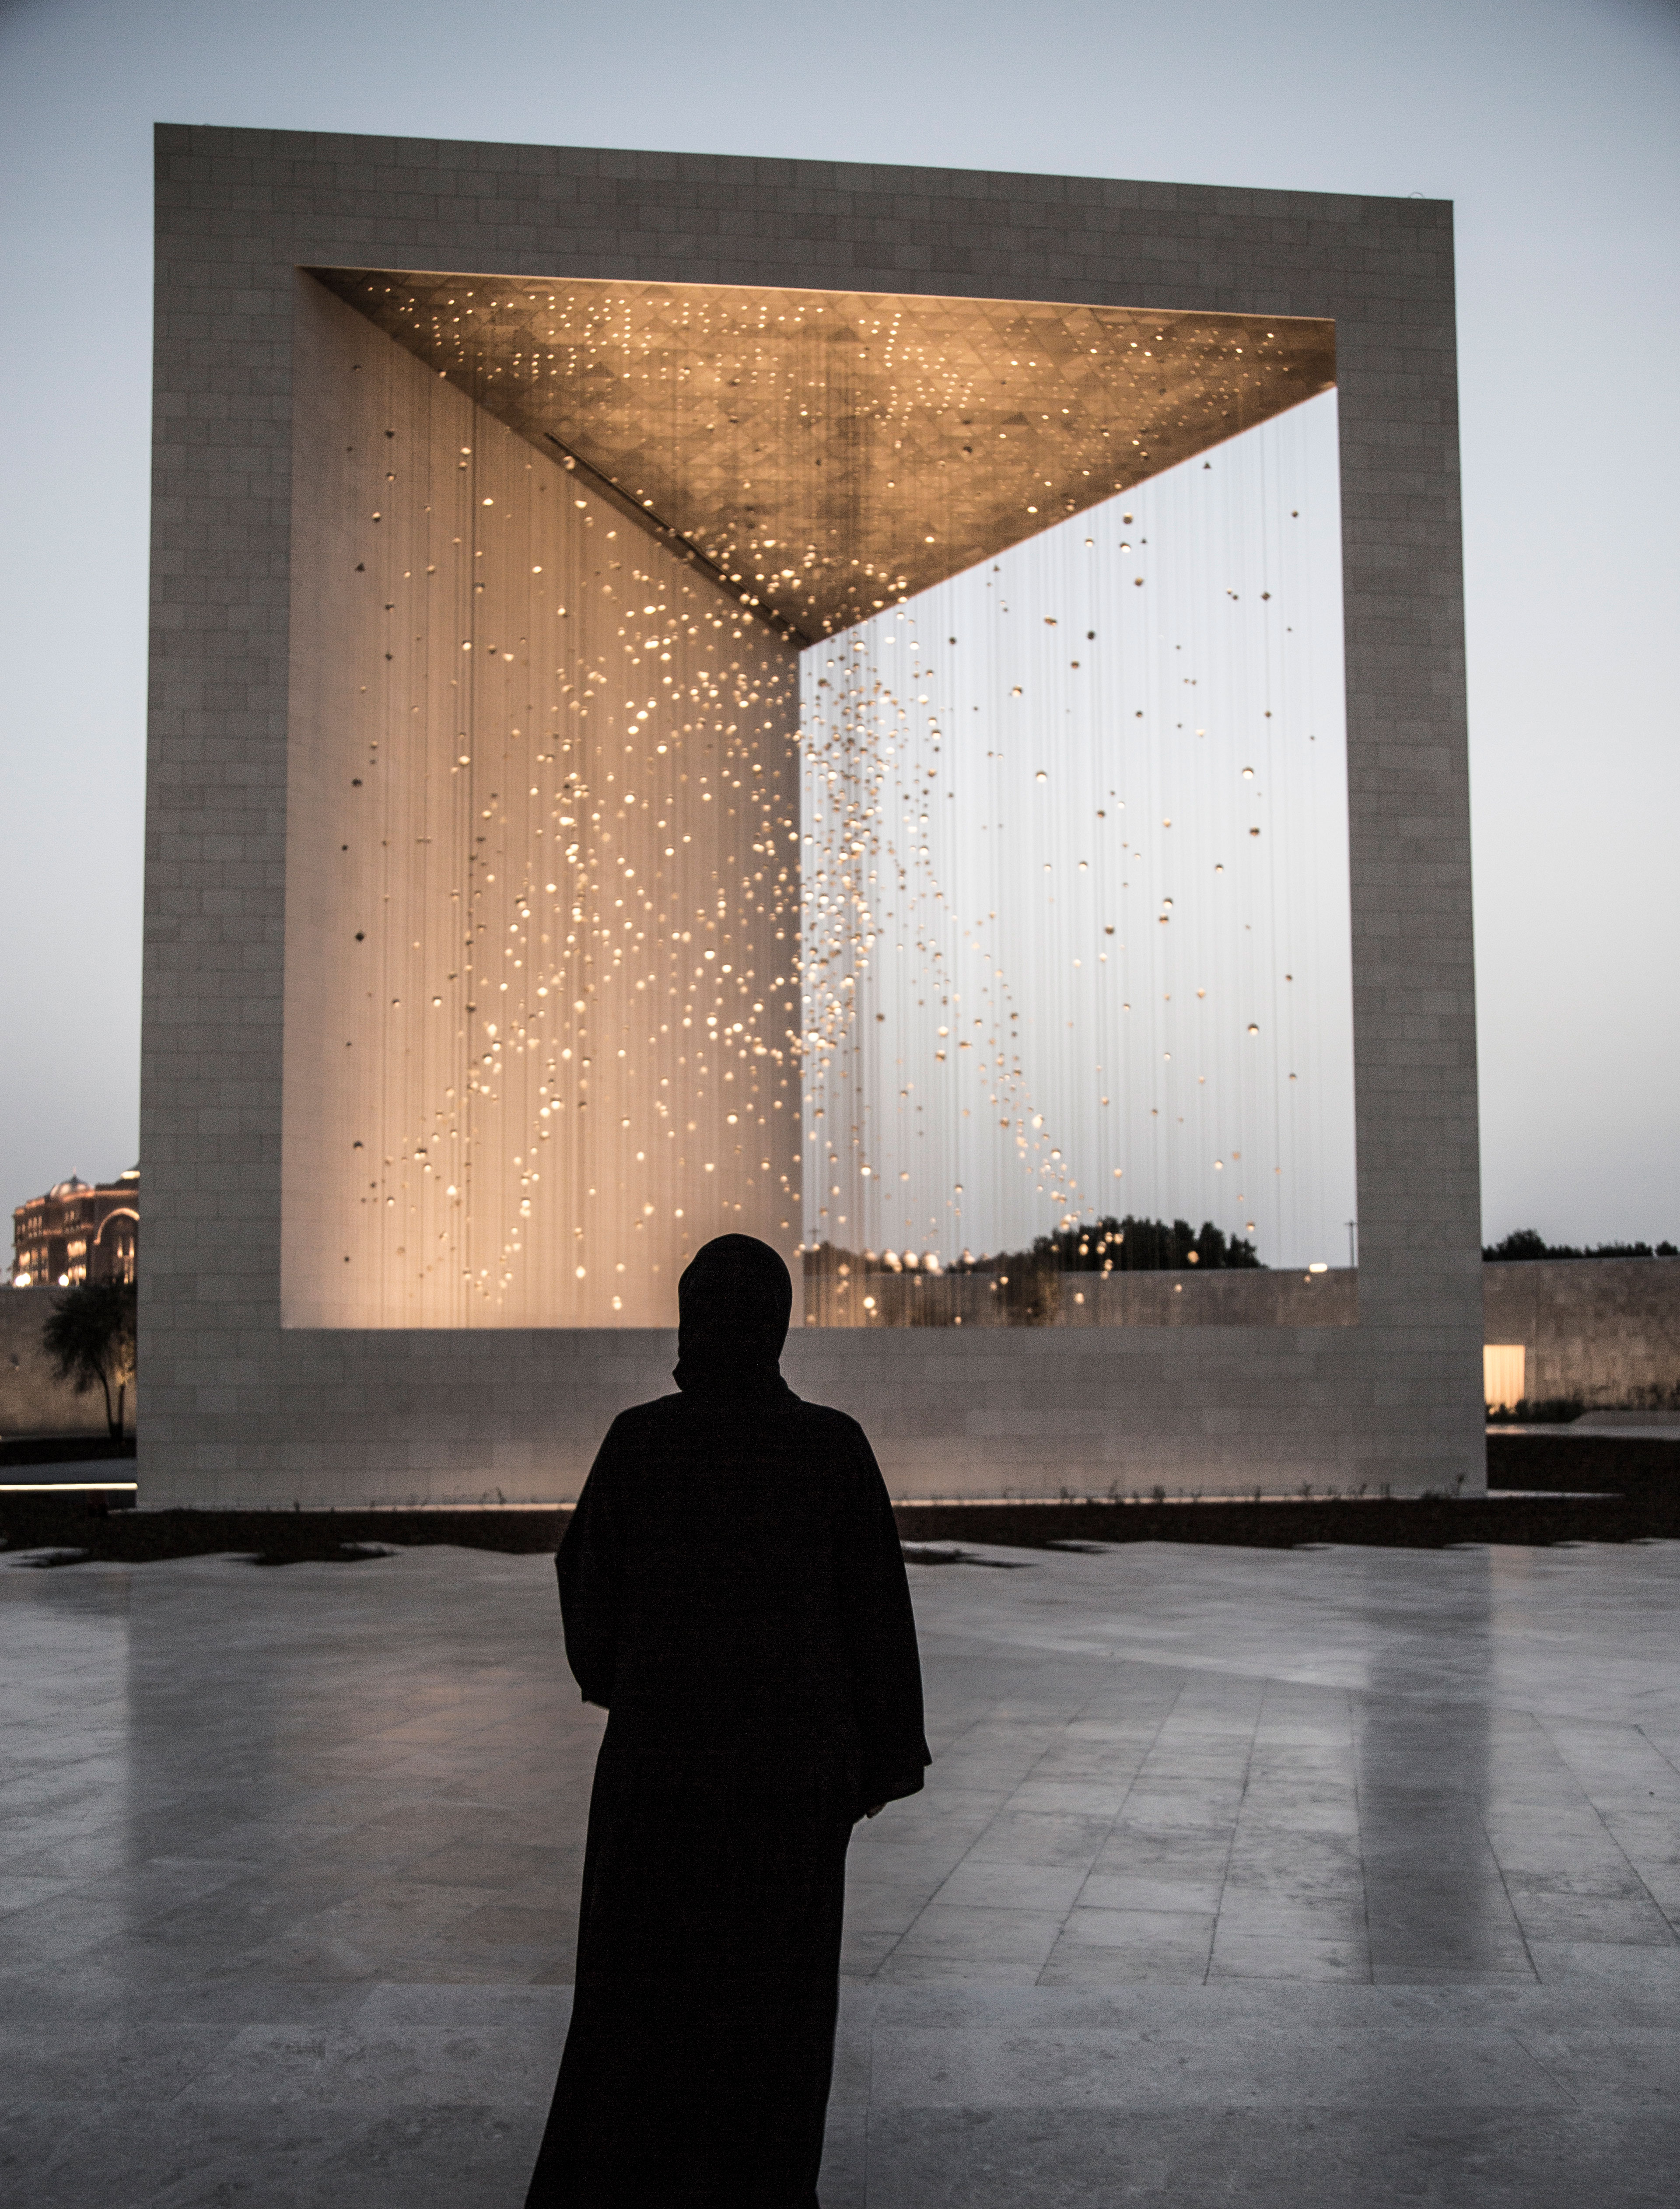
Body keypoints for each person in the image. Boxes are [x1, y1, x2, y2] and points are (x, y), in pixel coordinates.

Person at [526, 1233, 931, 2209]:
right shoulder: (830, 1448)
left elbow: (588, 1595)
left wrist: (652, 1693)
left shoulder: (640, 1443)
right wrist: (871, 1764)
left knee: (641, 2004)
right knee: (773, 2016)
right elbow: (876, 1616)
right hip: (788, 1795)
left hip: (657, 1782)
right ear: (777, 1326)